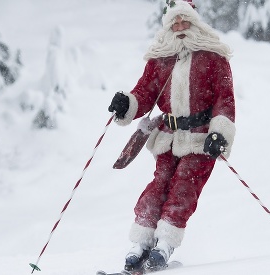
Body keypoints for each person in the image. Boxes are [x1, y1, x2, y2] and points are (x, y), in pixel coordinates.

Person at [108, 0, 236, 272]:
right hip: (168, 136)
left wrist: (219, 133)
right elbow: (144, 93)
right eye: (174, 22)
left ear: (194, 21)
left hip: (202, 139)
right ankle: (141, 243)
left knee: (183, 186)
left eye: (184, 20)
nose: (179, 26)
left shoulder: (213, 56)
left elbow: (225, 99)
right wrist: (127, 104)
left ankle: (165, 244)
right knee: (160, 184)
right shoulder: (161, 57)